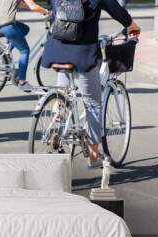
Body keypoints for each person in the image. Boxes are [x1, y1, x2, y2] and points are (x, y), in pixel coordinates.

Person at [42, 0, 140, 168]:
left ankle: (59, 109)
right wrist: (131, 24)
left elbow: (51, 7)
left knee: (63, 92)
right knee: (93, 104)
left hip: (55, 50)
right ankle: (93, 154)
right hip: (82, 54)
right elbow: (116, 10)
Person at [0, 0, 49, 91]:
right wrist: (48, 12)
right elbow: (33, 6)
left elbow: (21, 4)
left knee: (25, 29)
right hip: (6, 25)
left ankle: (7, 51)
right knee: (25, 51)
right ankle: (22, 82)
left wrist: (41, 9)